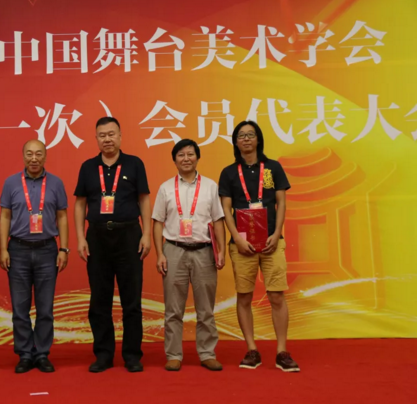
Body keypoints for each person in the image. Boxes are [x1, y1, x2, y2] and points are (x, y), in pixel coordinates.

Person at [218, 121, 300, 373]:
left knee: (276, 295)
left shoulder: (273, 167)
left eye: (250, 135)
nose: (246, 139)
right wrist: (236, 238)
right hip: (242, 244)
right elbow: (226, 209)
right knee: (244, 296)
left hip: (271, 242)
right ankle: (252, 349)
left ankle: (282, 351)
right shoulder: (229, 172)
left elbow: (281, 202)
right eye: (241, 135)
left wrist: (277, 234)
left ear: (258, 139)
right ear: (235, 142)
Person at [74, 116, 151, 373]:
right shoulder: (88, 167)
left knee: (132, 299)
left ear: (120, 136)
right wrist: (80, 237)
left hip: (129, 235)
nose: (107, 139)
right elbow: (80, 204)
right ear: (96, 138)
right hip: (97, 237)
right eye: (102, 135)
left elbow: (143, 199)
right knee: (99, 299)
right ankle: (103, 354)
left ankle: (132, 355)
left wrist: (146, 234)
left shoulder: (134, 164)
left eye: (111, 134)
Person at [152, 139, 226, 372]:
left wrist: (221, 250)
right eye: (181, 155)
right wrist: (159, 254)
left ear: (197, 157)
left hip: (204, 251)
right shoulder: (165, 188)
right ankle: (173, 354)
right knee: (173, 309)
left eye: (190, 154)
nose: (186, 159)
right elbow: (157, 222)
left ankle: (207, 353)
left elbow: (218, 220)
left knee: (206, 309)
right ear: (174, 160)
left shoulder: (210, 186)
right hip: (174, 250)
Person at [0, 140, 69, 374]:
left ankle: (42, 354)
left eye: (39, 154)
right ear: (23, 157)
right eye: (29, 154)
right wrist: (3, 249)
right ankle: (25, 354)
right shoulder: (11, 183)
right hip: (17, 250)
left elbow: (62, 217)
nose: (34, 158)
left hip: (47, 250)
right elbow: (5, 216)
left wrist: (64, 249)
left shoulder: (56, 183)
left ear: (45, 157)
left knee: (45, 308)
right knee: (20, 308)